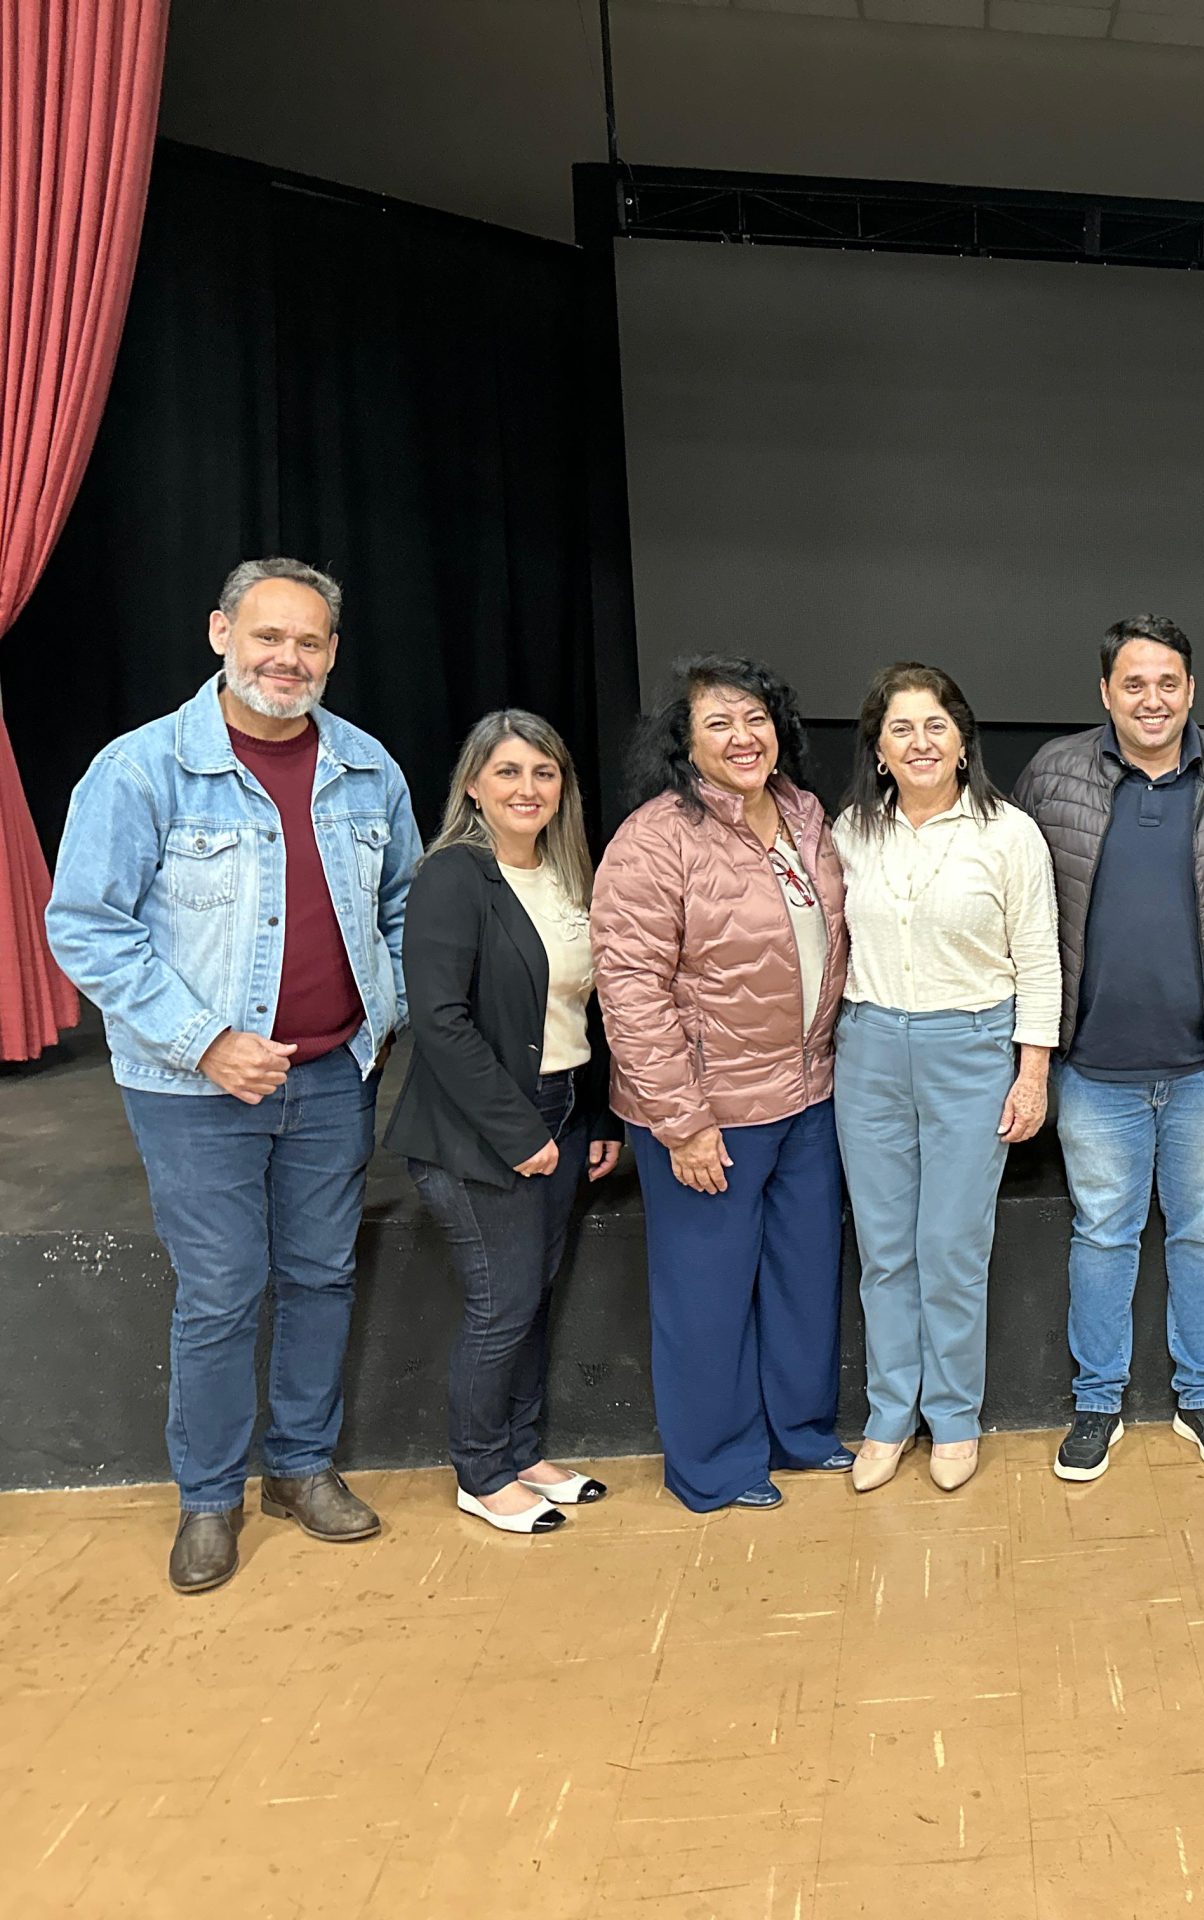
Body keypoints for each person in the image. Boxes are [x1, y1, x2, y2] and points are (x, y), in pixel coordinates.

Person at [47, 558, 421, 1594]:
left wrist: (380, 1015)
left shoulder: (367, 768)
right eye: (267, 636)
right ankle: (209, 1499)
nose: (286, 659)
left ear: (332, 654)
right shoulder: (141, 770)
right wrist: (205, 1039)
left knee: (321, 1276)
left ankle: (301, 1468)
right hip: (193, 1090)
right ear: (221, 634)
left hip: (333, 1077)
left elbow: (402, 907)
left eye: (308, 642)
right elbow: (86, 926)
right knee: (221, 1291)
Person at [1014, 616, 1204, 1482]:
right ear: (1105, 693)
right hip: (1094, 1065)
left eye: (1169, 683)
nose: (1153, 699)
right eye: (1134, 684)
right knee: (1102, 1236)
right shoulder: (1053, 776)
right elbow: (1018, 912)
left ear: (1191, 690)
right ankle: (1097, 1403)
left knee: (1203, 1234)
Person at [591, 657, 851, 1513]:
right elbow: (631, 990)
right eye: (719, 724)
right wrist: (683, 1122)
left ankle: (800, 1433)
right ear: (685, 743)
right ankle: (714, 1465)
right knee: (705, 1299)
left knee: (803, 1282)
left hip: (810, 1098)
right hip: (710, 1113)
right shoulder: (655, 839)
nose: (743, 738)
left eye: (756, 719)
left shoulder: (806, 813)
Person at [384, 712, 623, 1534]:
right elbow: (440, 1020)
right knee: (502, 1303)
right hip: (481, 1132)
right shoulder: (453, 877)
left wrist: (597, 1114)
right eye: (509, 772)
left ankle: (522, 1452)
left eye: (544, 773)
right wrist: (519, 1134)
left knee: (531, 1298)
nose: (528, 788)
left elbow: (583, 1013)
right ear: (474, 786)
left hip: (563, 1111)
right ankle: (480, 1472)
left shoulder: (566, 875)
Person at [830, 663, 1060, 1495]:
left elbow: (1039, 960)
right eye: (901, 728)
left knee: (952, 1249)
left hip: (971, 1051)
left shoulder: (1009, 834)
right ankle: (890, 1415)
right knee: (885, 1250)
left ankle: (955, 1417)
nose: (919, 742)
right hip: (869, 1052)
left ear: (963, 741)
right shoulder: (850, 832)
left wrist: (1031, 1075)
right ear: (879, 750)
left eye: (936, 725)